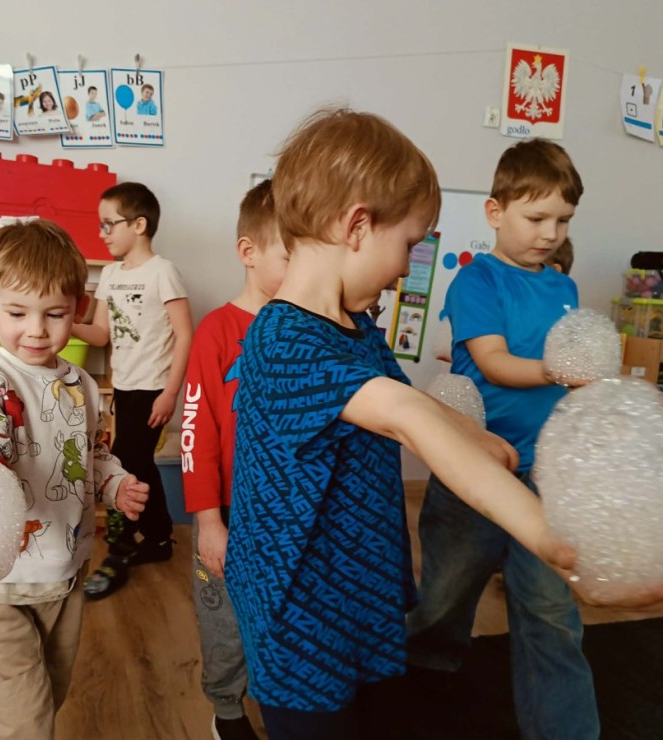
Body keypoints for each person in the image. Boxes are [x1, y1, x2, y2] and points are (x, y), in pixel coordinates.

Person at [223, 108, 596, 740]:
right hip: (301, 619)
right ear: (357, 227)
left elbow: (410, 398)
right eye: (409, 244)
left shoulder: (356, 329)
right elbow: (408, 417)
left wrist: (481, 438)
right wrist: (554, 540)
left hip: (360, 598)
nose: (406, 267)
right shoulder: (282, 339)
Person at [405, 139, 598, 739]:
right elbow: (493, 362)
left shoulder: (563, 287)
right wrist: (560, 370)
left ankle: (565, 729)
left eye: (563, 220)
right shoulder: (476, 280)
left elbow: (566, 373)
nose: (550, 233)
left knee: (551, 611)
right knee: (445, 595)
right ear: (495, 211)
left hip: (545, 474)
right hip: (474, 470)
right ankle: (426, 679)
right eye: (536, 218)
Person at [0, 219, 149, 740]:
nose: (36, 329)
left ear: (79, 308)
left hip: (63, 569)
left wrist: (114, 483)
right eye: (18, 313)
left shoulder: (81, 385)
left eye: (54, 314)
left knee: (48, 695)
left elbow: (91, 454)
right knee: (25, 721)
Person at [183, 179, 286, 740]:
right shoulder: (217, 331)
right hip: (225, 516)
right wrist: (207, 521)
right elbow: (196, 432)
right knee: (224, 624)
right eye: (291, 256)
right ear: (249, 252)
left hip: (282, 515)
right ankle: (226, 710)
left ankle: (276, 697)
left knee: (276, 619)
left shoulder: (302, 330)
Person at [73, 181, 193, 599]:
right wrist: (64, 323)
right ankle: (156, 538)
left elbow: (185, 334)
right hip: (124, 387)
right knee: (137, 463)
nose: (102, 233)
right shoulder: (109, 275)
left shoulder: (163, 272)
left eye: (109, 224)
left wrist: (171, 393)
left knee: (126, 463)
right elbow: (102, 333)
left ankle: (127, 544)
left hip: (153, 388)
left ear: (139, 224)